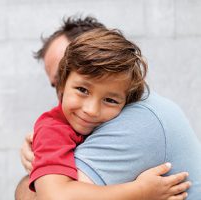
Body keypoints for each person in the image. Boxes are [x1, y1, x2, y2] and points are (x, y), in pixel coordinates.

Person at [15, 16, 201, 199]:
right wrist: (140, 191)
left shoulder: (139, 117)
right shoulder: (55, 129)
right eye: (81, 89)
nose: (91, 110)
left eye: (110, 100)